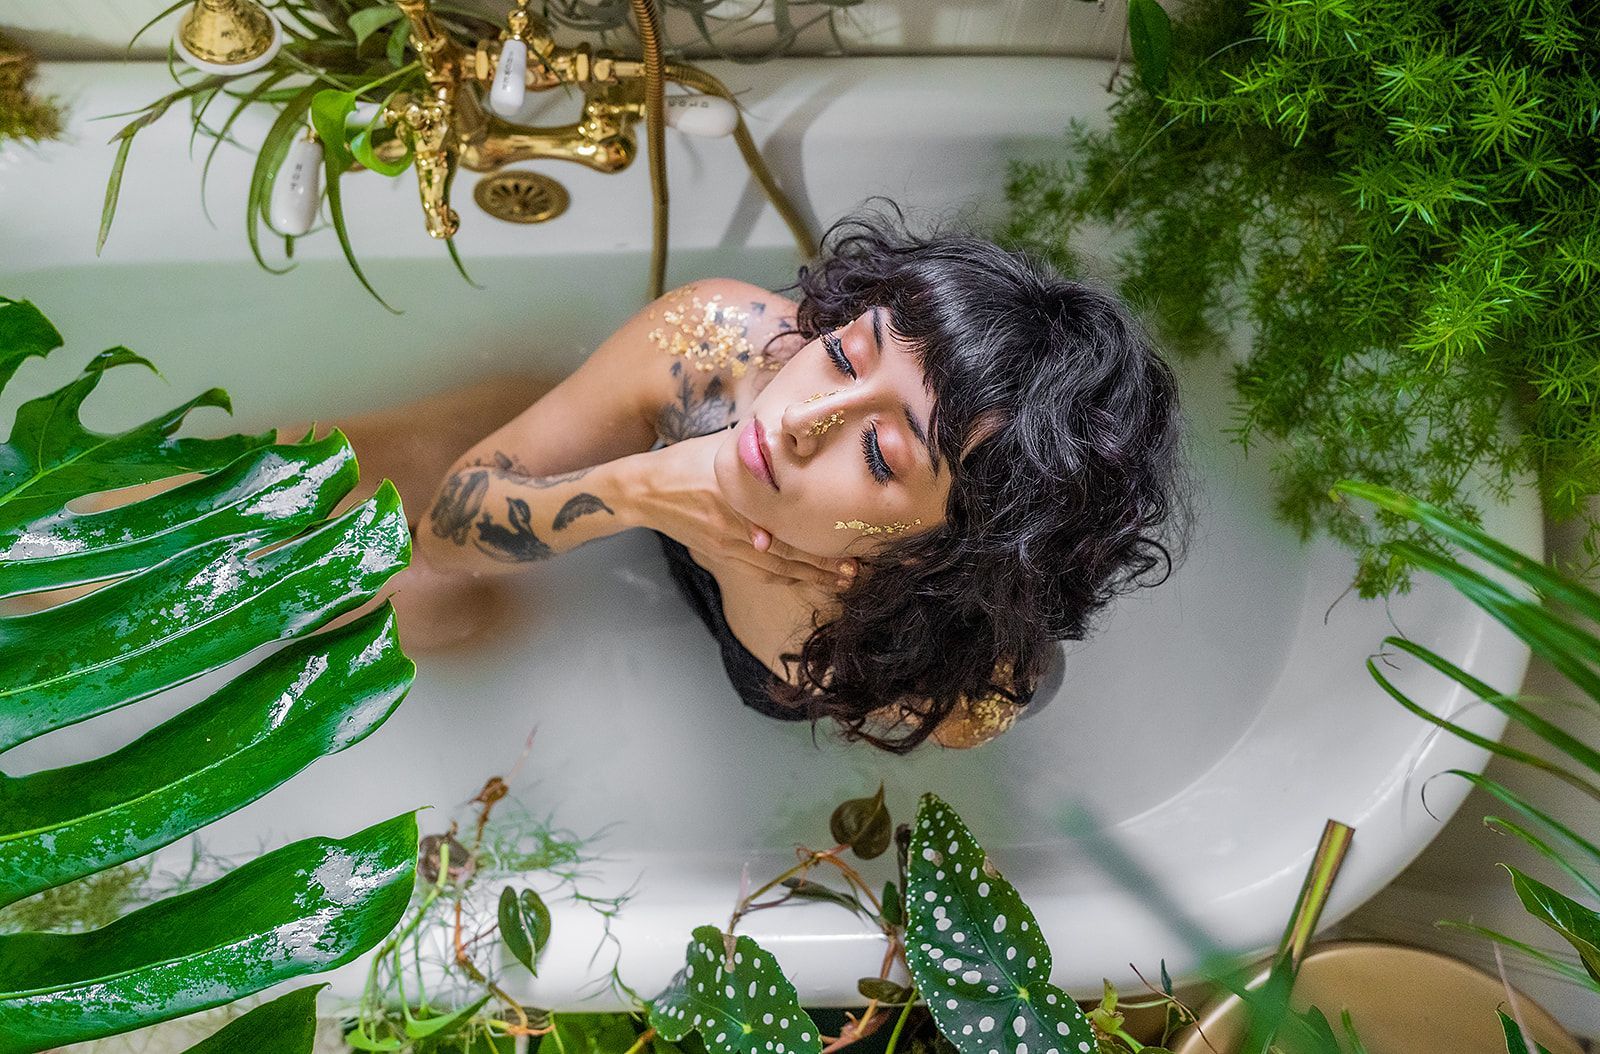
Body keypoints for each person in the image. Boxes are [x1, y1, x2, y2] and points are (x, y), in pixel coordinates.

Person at [367, 200, 1193, 753]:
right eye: (841, 353)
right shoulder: (710, 348)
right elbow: (444, 535)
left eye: (879, 453)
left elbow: (966, 720)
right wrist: (638, 489)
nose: (800, 418)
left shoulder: (954, 651)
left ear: (930, 552)